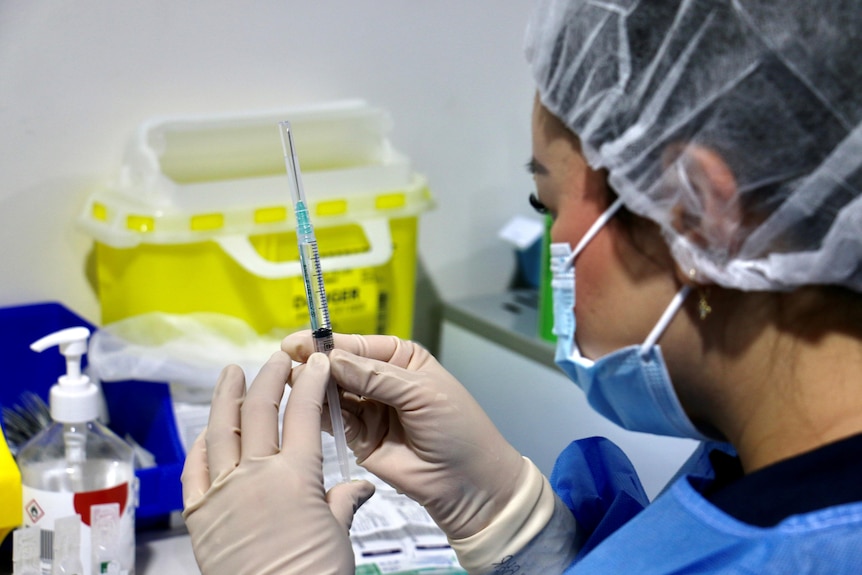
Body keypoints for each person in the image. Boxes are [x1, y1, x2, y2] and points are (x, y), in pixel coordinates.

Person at [180, 0, 862, 573]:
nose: (551, 242)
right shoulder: (767, 463)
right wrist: (519, 529)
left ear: (702, 214)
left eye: (547, 203)